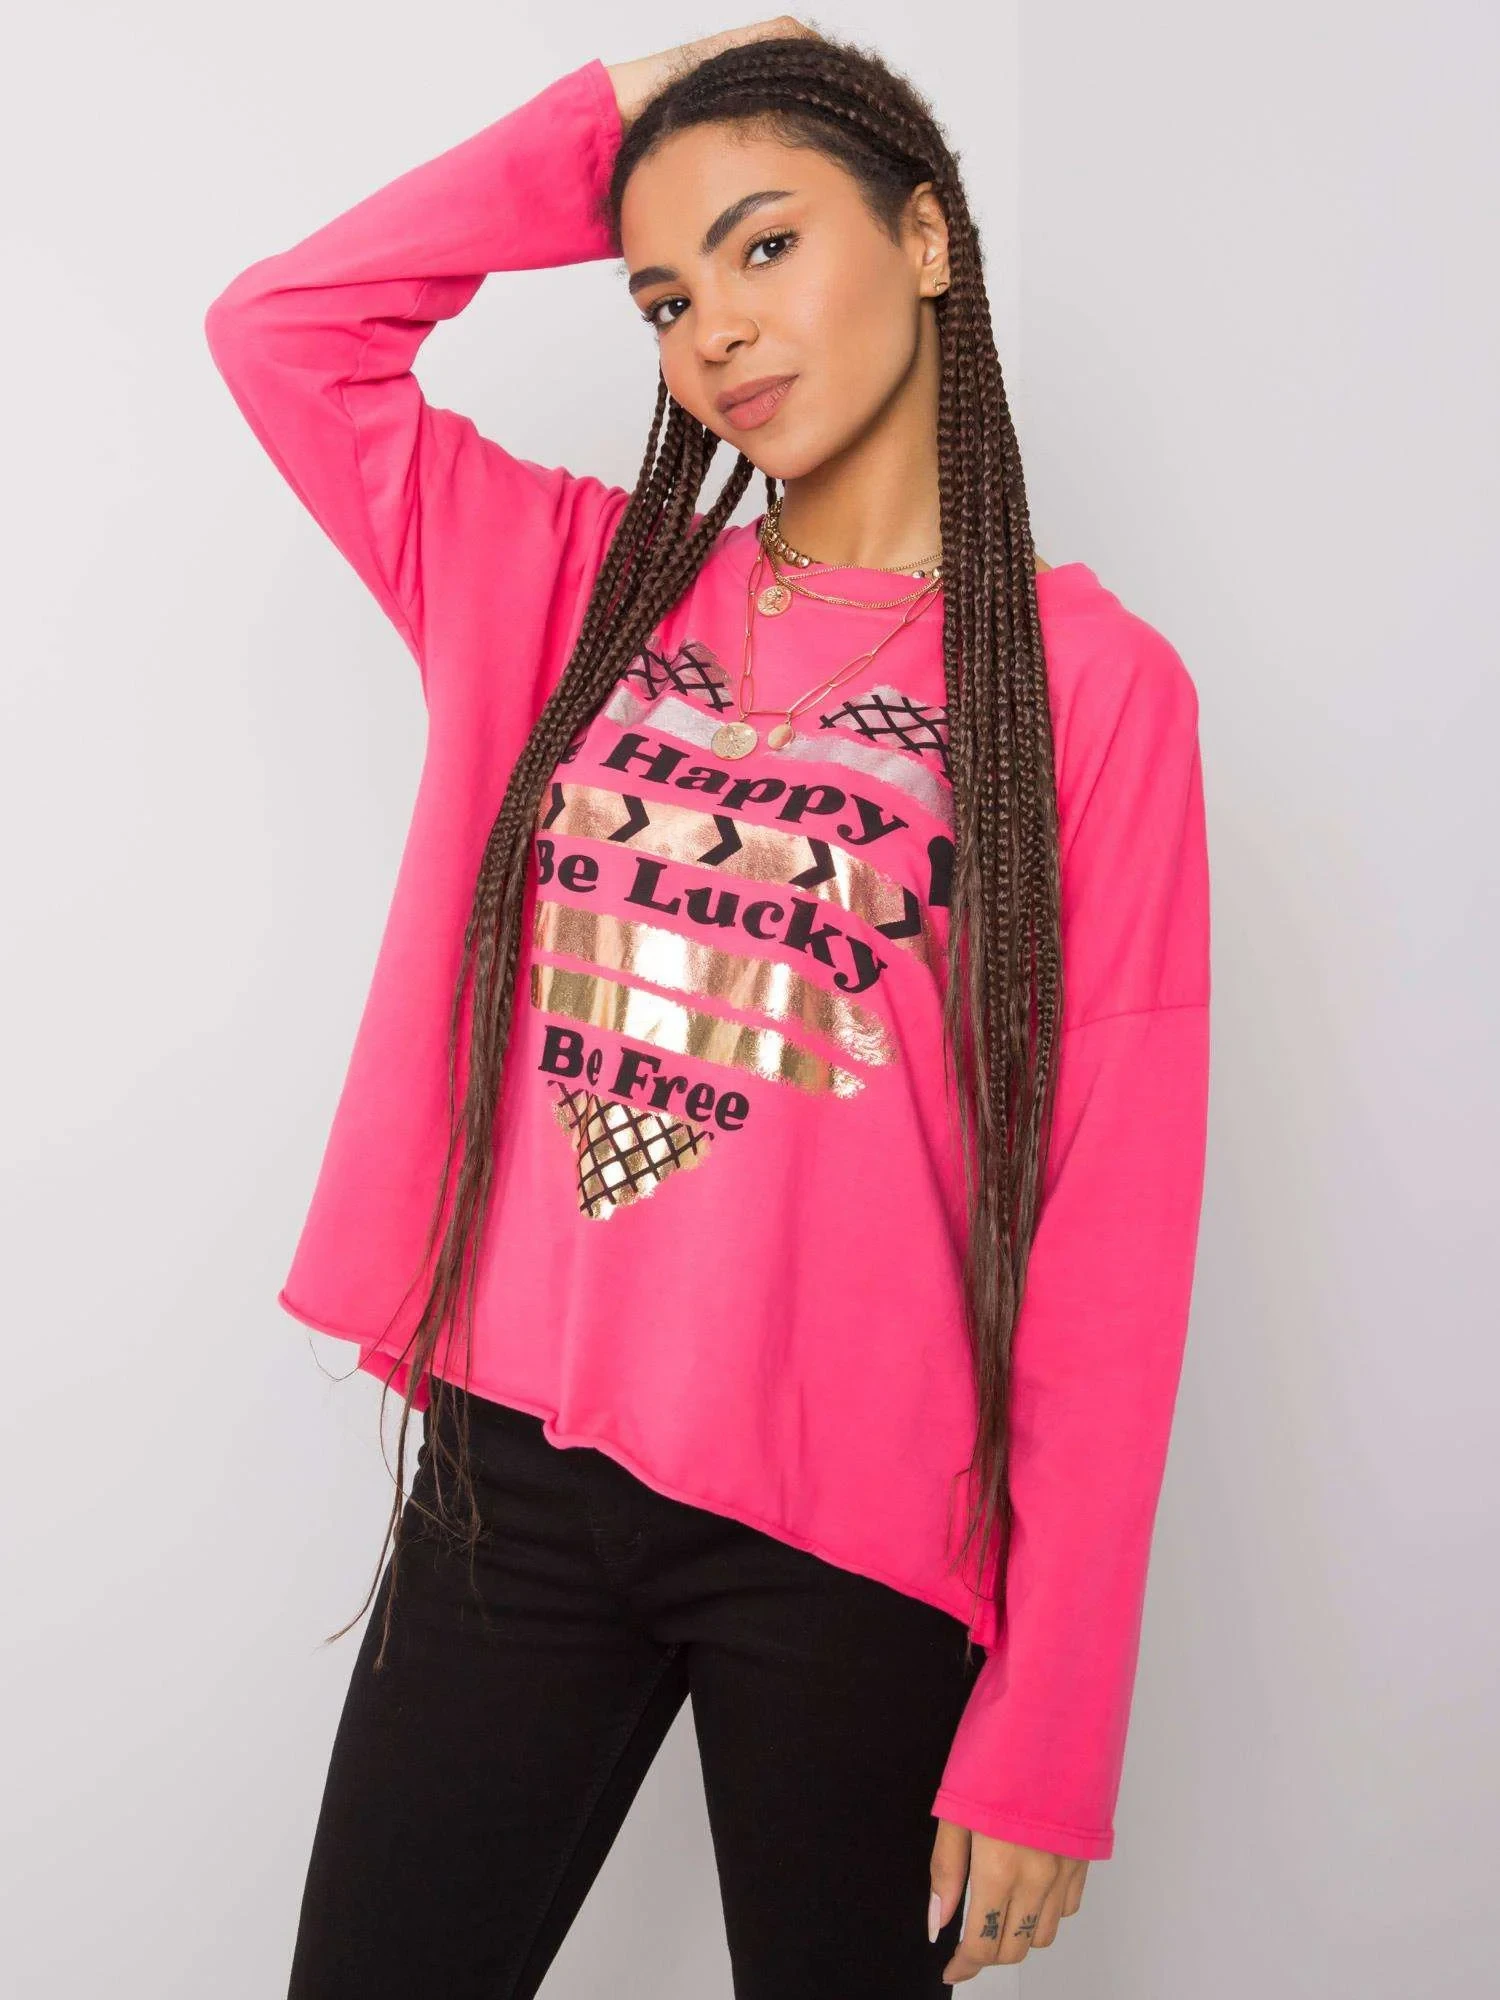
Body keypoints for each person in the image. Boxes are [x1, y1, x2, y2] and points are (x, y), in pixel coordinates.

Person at [203, 19, 1211, 1995]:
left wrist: (1055, 1719)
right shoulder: (574, 582)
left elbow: (1114, 1224)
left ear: (927, 239)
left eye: (766, 244)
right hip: (519, 1483)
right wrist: (615, 121)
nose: (717, 329)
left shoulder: (1090, 688)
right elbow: (282, 333)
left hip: (857, 1539)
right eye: (667, 295)